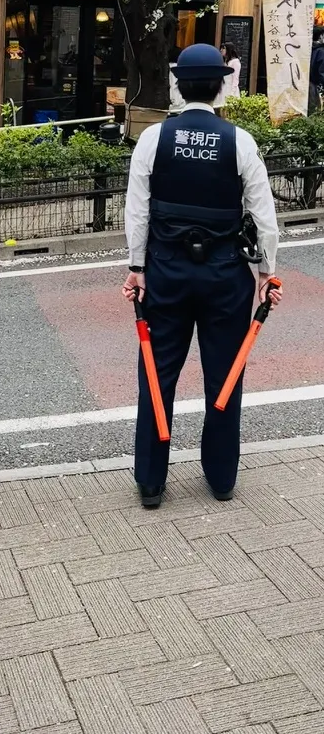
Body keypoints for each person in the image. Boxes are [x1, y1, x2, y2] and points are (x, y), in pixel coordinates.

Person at [122, 43, 282, 510]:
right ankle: (221, 477)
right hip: (225, 275)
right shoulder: (240, 141)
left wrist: (137, 267)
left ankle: (151, 482)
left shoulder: (153, 138)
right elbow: (265, 215)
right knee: (225, 375)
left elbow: (137, 211)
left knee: (157, 374)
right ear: (221, 85)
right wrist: (267, 272)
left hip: (166, 272)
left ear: (177, 83)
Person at [309, 29, 324, 114]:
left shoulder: (307, 49)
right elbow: (321, 73)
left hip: (305, 84)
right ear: (321, 36)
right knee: (316, 111)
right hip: (316, 87)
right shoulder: (321, 51)